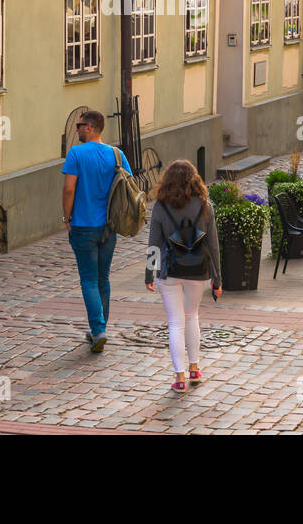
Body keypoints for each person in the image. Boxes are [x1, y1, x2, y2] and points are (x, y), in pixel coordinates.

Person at [144, 160, 221, 393]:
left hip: (169, 270)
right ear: (194, 179)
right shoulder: (206, 205)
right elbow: (213, 245)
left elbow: (154, 244)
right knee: (192, 316)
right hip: (198, 270)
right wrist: (217, 278)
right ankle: (195, 369)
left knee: (175, 322)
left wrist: (149, 273)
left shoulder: (160, 206)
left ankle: (179, 378)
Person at [62, 109, 132, 353]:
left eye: (80, 125)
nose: (77, 129)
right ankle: (99, 330)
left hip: (83, 226)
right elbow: (129, 186)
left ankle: (98, 329)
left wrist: (66, 217)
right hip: (108, 228)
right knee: (103, 278)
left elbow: (69, 188)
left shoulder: (76, 153)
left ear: (90, 127)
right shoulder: (117, 154)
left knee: (89, 279)